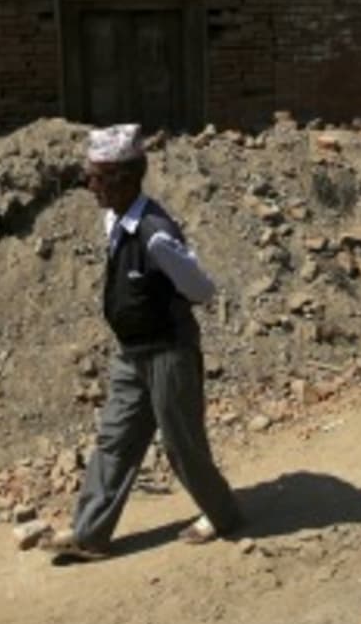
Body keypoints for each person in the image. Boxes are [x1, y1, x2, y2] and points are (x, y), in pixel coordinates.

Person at [44, 123, 242, 563]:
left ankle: (222, 513)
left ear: (124, 179)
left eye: (96, 178)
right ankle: (90, 533)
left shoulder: (156, 234)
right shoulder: (114, 218)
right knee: (115, 439)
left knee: (182, 445)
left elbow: (202, 291)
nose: (89, 186)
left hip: (169, 352)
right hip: (131, 354)